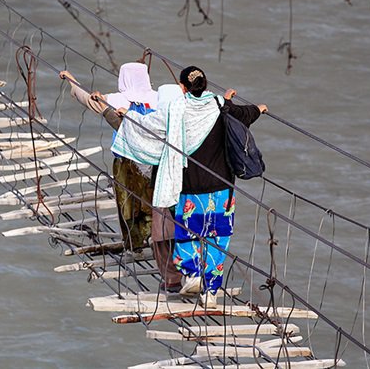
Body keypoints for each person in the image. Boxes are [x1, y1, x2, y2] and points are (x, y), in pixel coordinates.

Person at [112, 66, 267, 307]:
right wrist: (258, 109)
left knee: (188, 234)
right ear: (205, 85)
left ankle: (193, 274)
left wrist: (128, 117)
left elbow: (148, 127)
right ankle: (211, 292)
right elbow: (244, 114)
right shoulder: (219, 105)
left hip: (190, 186)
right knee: (217, 238)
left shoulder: (176, 109)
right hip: (222, 186)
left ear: (182, 88)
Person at [91, 84, 186, 293]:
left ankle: (170, 277)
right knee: (184, 233)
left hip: (159, 185)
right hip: (188, 187)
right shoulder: (189, 121)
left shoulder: (150, 121)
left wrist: (74, 84)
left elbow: (124, 125)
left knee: (156, 230)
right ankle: (193, 275)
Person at [60, 63, 157, 253]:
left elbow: (88, 100)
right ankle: (154, 237)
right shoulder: (159, 98)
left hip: (125, 160)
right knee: (151, 200)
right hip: (152, 159)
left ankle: (134, 244)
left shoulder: (115, 99)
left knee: (127, 203)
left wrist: (72, 82)